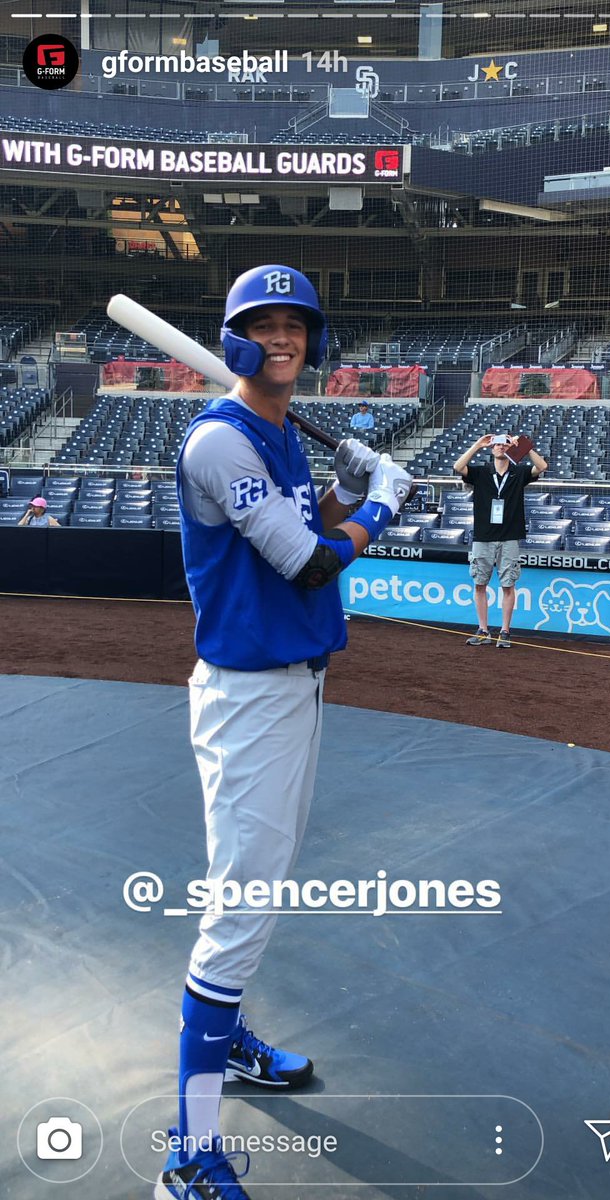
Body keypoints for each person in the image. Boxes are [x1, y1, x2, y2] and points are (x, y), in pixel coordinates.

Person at [155, 265, 413, 1200]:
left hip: (296, 687)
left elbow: (315, 524)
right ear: (231, 339)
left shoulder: (276, 434)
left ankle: (233, 1042)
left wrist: (349, 491)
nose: (281, 338)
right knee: (238, 910)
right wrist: (382, 504)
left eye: (293, 324)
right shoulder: (219, 444)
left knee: (253, 888)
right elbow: (305, 566)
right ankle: (190, 1155)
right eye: (260, 325)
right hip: (250, 697)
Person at [453, 433, 547, 648]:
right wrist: (477, 444)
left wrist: (523, 447)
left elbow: (541, 466)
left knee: (508, 585)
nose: (500, 448)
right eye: (495, 445)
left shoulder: (519, 472)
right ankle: (483, 629)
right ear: (491, 448)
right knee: (479, 584)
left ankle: (505, 631)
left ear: (508, 447)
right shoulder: (480, 472)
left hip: (509, 536)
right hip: (483, 536)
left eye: (503, 444)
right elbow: (459, 467)